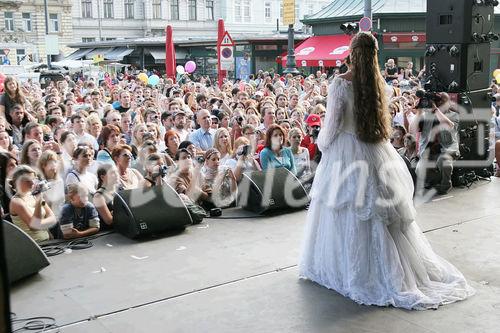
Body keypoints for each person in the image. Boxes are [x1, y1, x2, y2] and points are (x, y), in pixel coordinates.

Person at [299, 32, 474, 310]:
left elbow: (331, 127)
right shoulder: (380, 83)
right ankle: (388, 270)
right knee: (380, 215)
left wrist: (322, 143)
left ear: (352, 53)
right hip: (375, 151)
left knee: (346, 210)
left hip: (346, 152)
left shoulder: (340, 84)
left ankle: (352, 270)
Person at [9, 165, 57, 242]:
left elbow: (53, 218)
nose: (32, 183)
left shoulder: (35, 196)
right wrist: (39, 201)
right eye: (28, 180)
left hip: (47, 242)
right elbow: (33, 226)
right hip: (32, 246)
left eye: (33, 179)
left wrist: (40, 224)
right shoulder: (16, 202)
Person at [93, 164, 120, 229]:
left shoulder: (120, 189)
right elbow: (109, 221)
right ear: (102, 177)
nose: (116, 175)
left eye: (117, 172)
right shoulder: (98, 196)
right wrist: (120, 211)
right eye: (112, 173)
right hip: (109, 233)